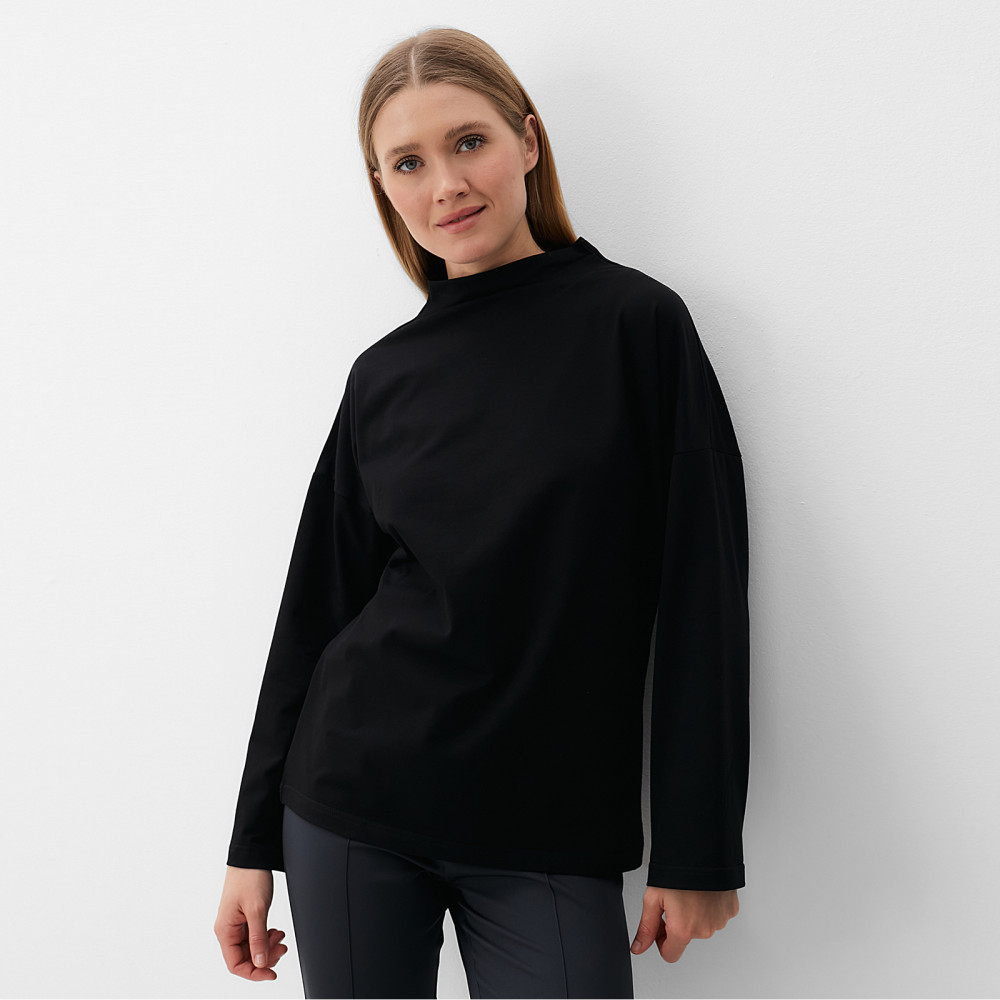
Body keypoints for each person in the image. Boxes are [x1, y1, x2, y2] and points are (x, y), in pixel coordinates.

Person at [213, 26, 750, 1000]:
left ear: (527, 142)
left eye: (469, 142)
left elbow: (701, 591)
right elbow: (316, 610)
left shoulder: (636, 325)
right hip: (351, 805)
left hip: (547, 824)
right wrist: (251, 843)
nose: (446, 184)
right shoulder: (384, 376)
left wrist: (698, 845)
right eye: (407, 162)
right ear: (383, 186)